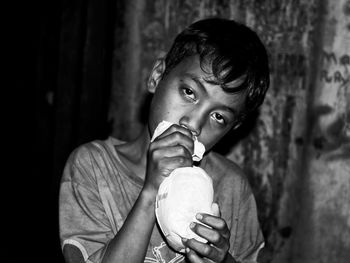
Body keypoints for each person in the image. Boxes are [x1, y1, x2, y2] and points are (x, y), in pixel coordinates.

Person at [59, 17, 270, 263]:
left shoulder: (231, 186)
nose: (193, 124)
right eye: (189, 92)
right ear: (157, 76)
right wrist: (151, 192)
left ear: (233, 128)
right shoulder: (93, 167)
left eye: (218, 116)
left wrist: (222, 259)